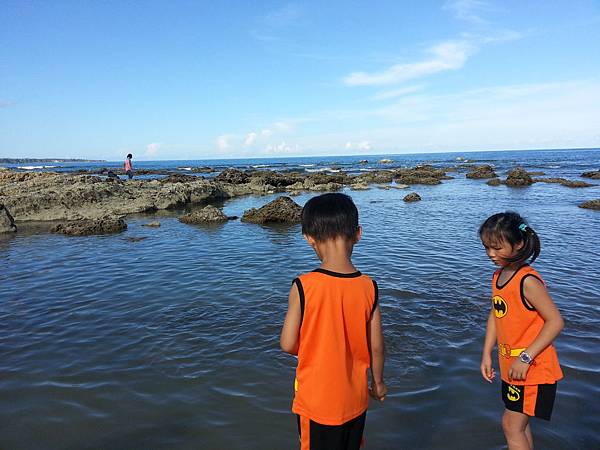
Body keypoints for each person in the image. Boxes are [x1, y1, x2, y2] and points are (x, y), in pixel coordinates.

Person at [280, 193, 386, 450]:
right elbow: (377, 347)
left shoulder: (303, 286)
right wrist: (379, 382)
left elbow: (287, 343)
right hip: (355, 400)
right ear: (358, 233)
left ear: (309, 239)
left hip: (316, 402)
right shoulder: (369, 287)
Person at [479, 212, 564, 450]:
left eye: (496, 248)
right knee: (520, 425)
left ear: (519, 244)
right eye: (486, 247)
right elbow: (497, 314)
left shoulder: (527, 281)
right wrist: (486, 353)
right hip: (512, 368)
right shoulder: (498, 276)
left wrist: (526, 357)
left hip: (533, 368)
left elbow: (555, 321)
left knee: (511, 425)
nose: (490, 254)